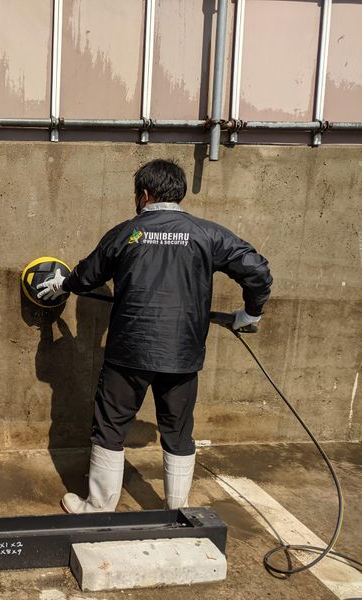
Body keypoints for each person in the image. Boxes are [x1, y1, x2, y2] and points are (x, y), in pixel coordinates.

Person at [37, 159, 272, 513]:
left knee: (110, 427)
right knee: (178, 431)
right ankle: (177, 511)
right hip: (182, 356)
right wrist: (250, 314)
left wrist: (62, 284)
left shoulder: (126, 233)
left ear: (144, 195)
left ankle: (98, 509)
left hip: (128, 354)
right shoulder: (207, 234)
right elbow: (257, 271)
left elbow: (87, 276)